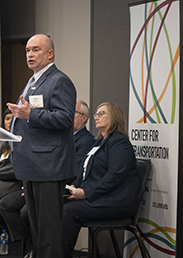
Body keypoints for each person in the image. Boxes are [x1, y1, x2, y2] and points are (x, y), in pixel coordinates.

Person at [7, 34, 77, 258]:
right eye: (27, 50)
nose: (29, 54)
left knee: (49, 232)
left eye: (35, 50)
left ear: (50, 54)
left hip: (49, 165)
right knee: (37, 230)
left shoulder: (59, 80)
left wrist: (30, 114)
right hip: (31, 164)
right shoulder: (34, 80)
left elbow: (65, 119)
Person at [0, 99, 95, 257]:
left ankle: (39, 250)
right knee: (6, 205)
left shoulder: (87, 141)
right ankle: (32, 246)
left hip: (60, 188)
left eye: (73, 112)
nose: (68, 116)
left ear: (84, 117)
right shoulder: (60, 135)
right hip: (40, 182)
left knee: (26, 212)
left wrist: (42, 184)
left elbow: (74, 172)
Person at [62, 102, 143, 257]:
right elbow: (84, 171)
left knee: (69, 211)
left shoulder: (119, 142)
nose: (96, 117)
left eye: (101, 114)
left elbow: (115, 176)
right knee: (58, 204)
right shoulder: (99, 142)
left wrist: (86, 192)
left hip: (119, 201)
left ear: (115, 118)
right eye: (96, 114)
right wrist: (73, 186)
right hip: (104, 197)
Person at [0, 108, 21, 236]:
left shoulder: (22, 143)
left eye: (13, 118)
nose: (10, 122)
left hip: (10, 185)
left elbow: (13, 170)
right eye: (7, 119)